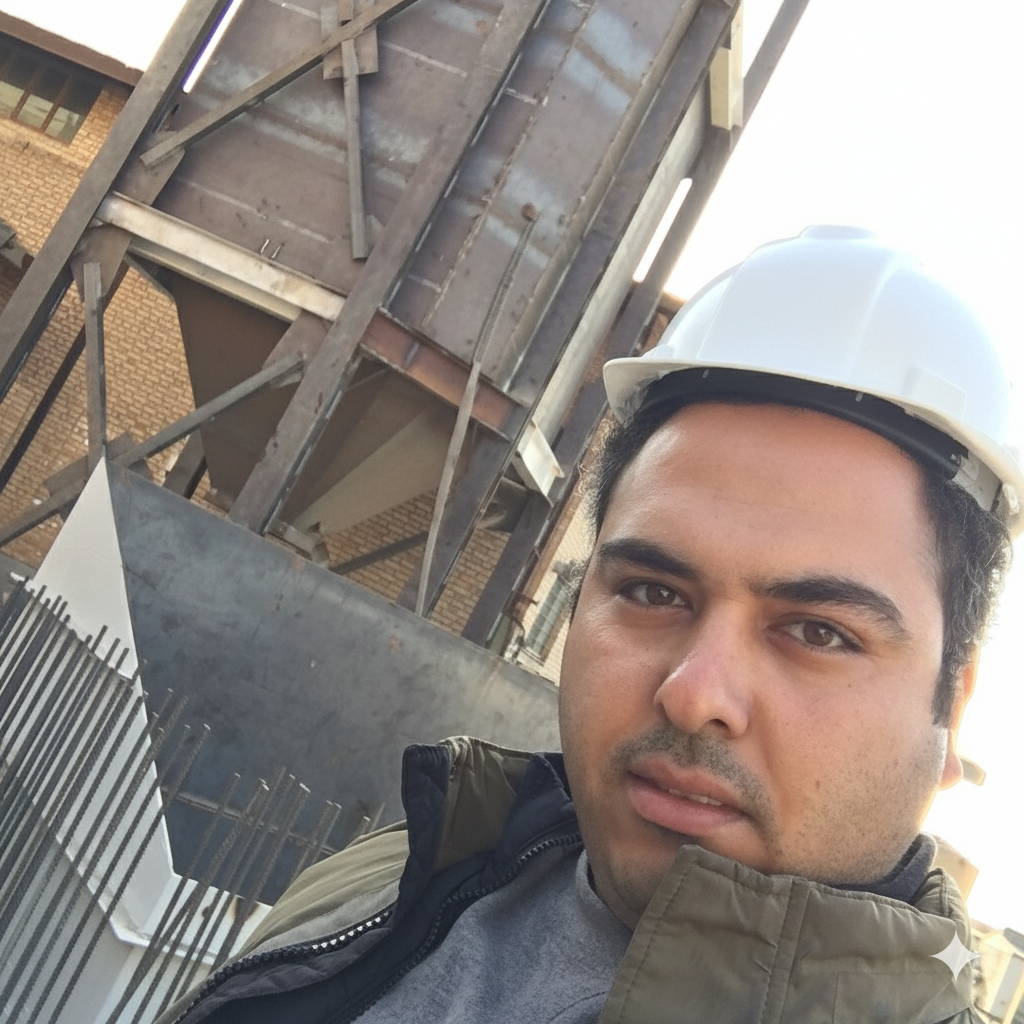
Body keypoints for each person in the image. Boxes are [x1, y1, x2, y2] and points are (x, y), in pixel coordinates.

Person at [156, 227, 1020, 1024]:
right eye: (653, 592)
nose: (693, 695)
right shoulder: (394, 875)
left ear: (952, 709)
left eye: (819, 633)